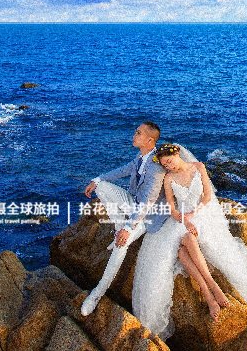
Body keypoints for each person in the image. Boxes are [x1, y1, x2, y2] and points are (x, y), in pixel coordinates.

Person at [131, 142, 247, 339]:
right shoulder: (168, 178)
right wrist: (185, 219)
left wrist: (193, 214)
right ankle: (211, 290)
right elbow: (172, 208)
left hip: (202, 213)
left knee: (183, 249)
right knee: (183, 242)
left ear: (177, 153)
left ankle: (209, 293)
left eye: (169, 161)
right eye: (165, 165)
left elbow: (207, 196)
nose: (169, 166)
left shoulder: (198, 167)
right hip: (181, 219)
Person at [80, 121, 197, 316]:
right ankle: (119, 226)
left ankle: (97, 293)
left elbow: (148, 202)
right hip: (134, 202)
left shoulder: (156, 167)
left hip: (147, 215)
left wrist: (128, 228)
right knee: (101, 187)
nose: (134, 135)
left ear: (150, 140)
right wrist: (98, 179)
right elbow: (124, 169)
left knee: (121, 244)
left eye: (138, 133)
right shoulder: (142, 156)